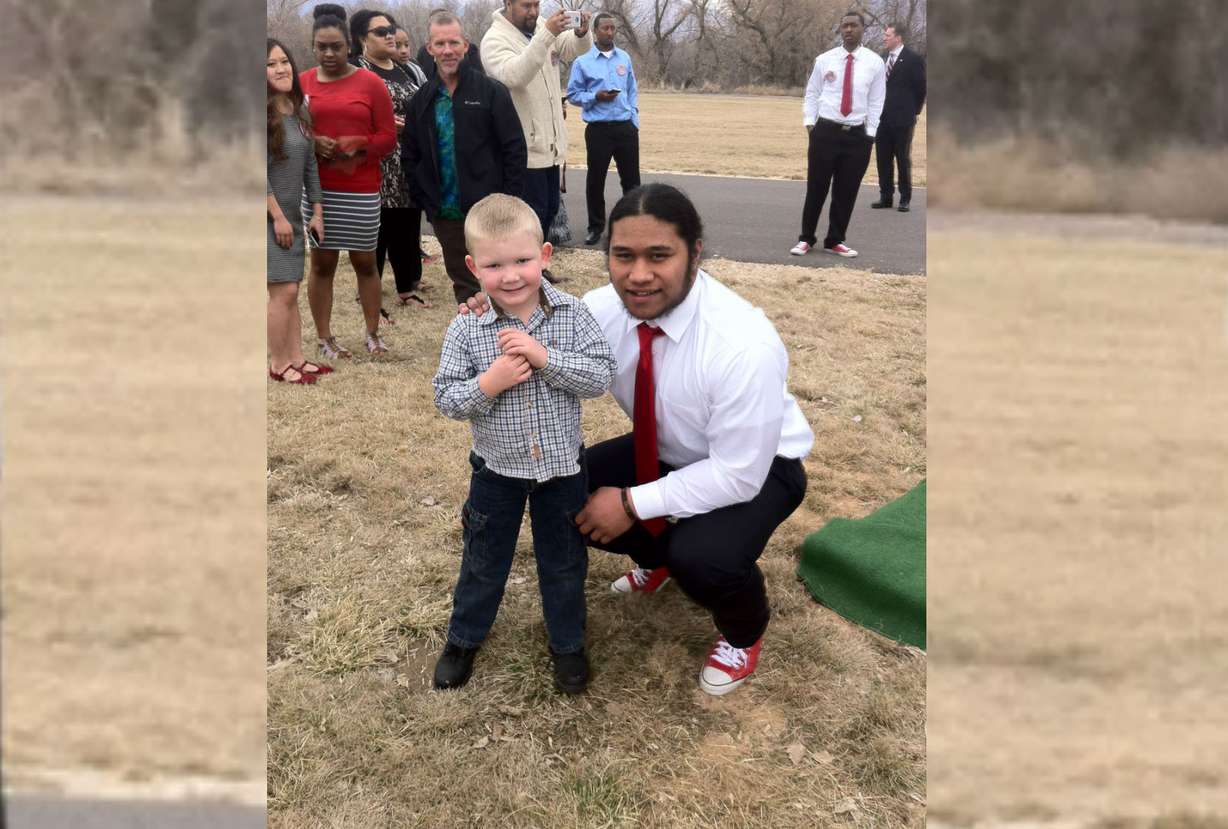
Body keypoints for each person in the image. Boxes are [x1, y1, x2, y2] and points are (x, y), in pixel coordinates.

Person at [464, 184, 814, 697]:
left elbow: (737, 473)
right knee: (563, 494)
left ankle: (744, 631)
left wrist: (632, 503)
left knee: (704, 558)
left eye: (660, 255)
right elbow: (533, 314)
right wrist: (489, 300)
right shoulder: (600, 309)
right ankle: (658, 557)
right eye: (623, 256)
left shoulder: (743, 342)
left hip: (761, 467)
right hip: (666, 449)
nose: (639, 274)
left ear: (695, 252)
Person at [431, 194, 616, 694]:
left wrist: (544, 357)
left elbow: (601, 376)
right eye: (494, 265)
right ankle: (463, 639)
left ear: (546, 256)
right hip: (496, 472)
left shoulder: (573, 316)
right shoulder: (468, 326)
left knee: (564, 562)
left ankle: (567, 644)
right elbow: (446, 397)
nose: (510, 276)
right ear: (473, 267)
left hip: (562, 471)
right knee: (483, 561)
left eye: (522, 261)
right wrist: (489, 383)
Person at [401, 11, 527, 305]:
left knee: (501, 280)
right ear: (429, 48)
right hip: (446, 212)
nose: (448, 50)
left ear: (466, 45)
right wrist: (428, 201)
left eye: (454, 43)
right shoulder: (422, 99)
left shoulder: (491, 91)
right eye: (440, 44)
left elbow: (514, 150)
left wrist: (510, 202)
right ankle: (474, 343)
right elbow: (411, 154)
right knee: (466, 288)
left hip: (490, 210)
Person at [300, 4, 398, 358]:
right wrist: (312, 142)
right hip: (318, 192)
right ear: (313, 46)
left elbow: (388, 137)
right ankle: (325, 339)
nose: (329, 53)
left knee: (365, 263)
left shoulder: (370, 83)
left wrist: (361, 144)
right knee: (321, 264)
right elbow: (289, 134)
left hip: (360, 188)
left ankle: (373, 334)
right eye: (321, 47)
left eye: (336, 47)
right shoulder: (302, 84)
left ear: (348, 46)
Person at [480, 0, 591, 247]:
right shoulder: (495, 39)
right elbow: (514, 76)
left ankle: (537, 271)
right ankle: (525, 272)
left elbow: (573, 49)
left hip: (550, 147)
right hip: (523, 151)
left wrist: (582, 34)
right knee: (527, 219)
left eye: (537, 5)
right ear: (508, 3)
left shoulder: (541, 26)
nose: (534, 12)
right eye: (526, 6)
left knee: (549, 211)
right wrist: (546, 35)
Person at [350, 9, 432, 308]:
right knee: (377, 228)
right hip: (373, 162)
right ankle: (368, 289)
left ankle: (406, 288)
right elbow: (345, 114)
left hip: (407, 160)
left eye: (390, 29)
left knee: (407, 225)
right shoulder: (356, 71)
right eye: (380, 31)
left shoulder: (406, 69)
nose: (389, 35)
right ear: (362, 38)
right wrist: (377, 124)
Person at [790, 10, 885, 259]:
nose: (849, 30)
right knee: (816, 187)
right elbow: (811, 93)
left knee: (847, 190)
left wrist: (870, 134)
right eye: (845, 26)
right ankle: (806, 238)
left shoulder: (874, 62)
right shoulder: (825, 60)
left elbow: (877, 101)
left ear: (863, 29)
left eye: (854, 25)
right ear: (840, 30)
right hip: (825, 132)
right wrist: (810, 124)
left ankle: (835, 240)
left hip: (857, 136)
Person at [266, 38, 330, 385]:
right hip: (268, 216)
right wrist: (276, 216)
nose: (281, 69)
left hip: (292, 215)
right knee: (283, 291)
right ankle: (278, 364)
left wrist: (316, 211)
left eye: (284, 62)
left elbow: (310, 168)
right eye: (271, 64)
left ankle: (296, 357)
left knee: (290, 288)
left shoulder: (300, 111)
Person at [566, 12, 640, 246]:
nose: (610, 32)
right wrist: (595, 97)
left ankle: (633, 227)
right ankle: (595, 227)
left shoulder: (624, 58)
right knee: (595, 181)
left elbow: (631, 89)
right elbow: (573, 95)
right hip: (599, 130)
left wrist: (634, 119)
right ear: (595, 31)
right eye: (605, 28)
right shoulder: (583, 62)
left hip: (625, 128)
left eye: (613, 28)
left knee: (631, 181)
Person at [871, 23, 926, 213]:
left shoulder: (913, 59)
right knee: (883, 158)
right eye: (884, 35)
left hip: (903, 118)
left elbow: (921, 89)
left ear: (898, 37)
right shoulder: (882, 58)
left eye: (887, 35)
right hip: (882, 118)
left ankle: (905, 198)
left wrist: (914, 112)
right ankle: (886, 196)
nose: (884, 38)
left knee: (902, 158)